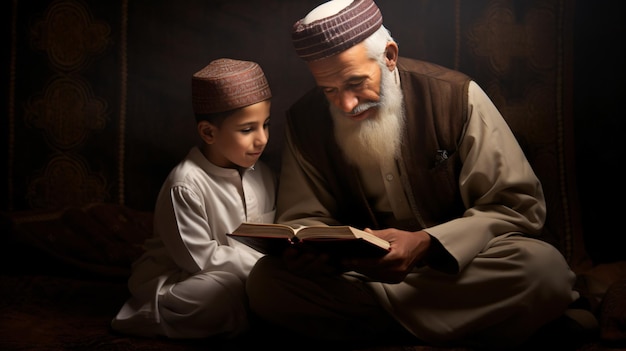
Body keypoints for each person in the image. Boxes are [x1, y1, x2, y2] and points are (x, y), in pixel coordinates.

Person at [245, 0, 588, 349]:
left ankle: (386, 330)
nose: (346, 105)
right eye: (329, 90)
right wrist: (316, 254)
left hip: (458, 268)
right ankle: (473, 327)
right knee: (265, 283)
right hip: (365, 277)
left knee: (544, 271)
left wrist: (426, 244)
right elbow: (303, 217)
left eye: (355, 82)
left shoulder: (456, 96)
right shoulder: (306, 121)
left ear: (389, 55)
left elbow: (518, 207)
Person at [111, 58, 276, 339]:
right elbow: (198, 259)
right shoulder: (185, 185)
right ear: (208, 132)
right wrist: (266, 269)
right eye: (248, 129)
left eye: (266, 125)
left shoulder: (263, 174)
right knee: (219, 295)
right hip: (186, 279)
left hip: (252, 275)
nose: (261, 139)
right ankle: (148, 314)